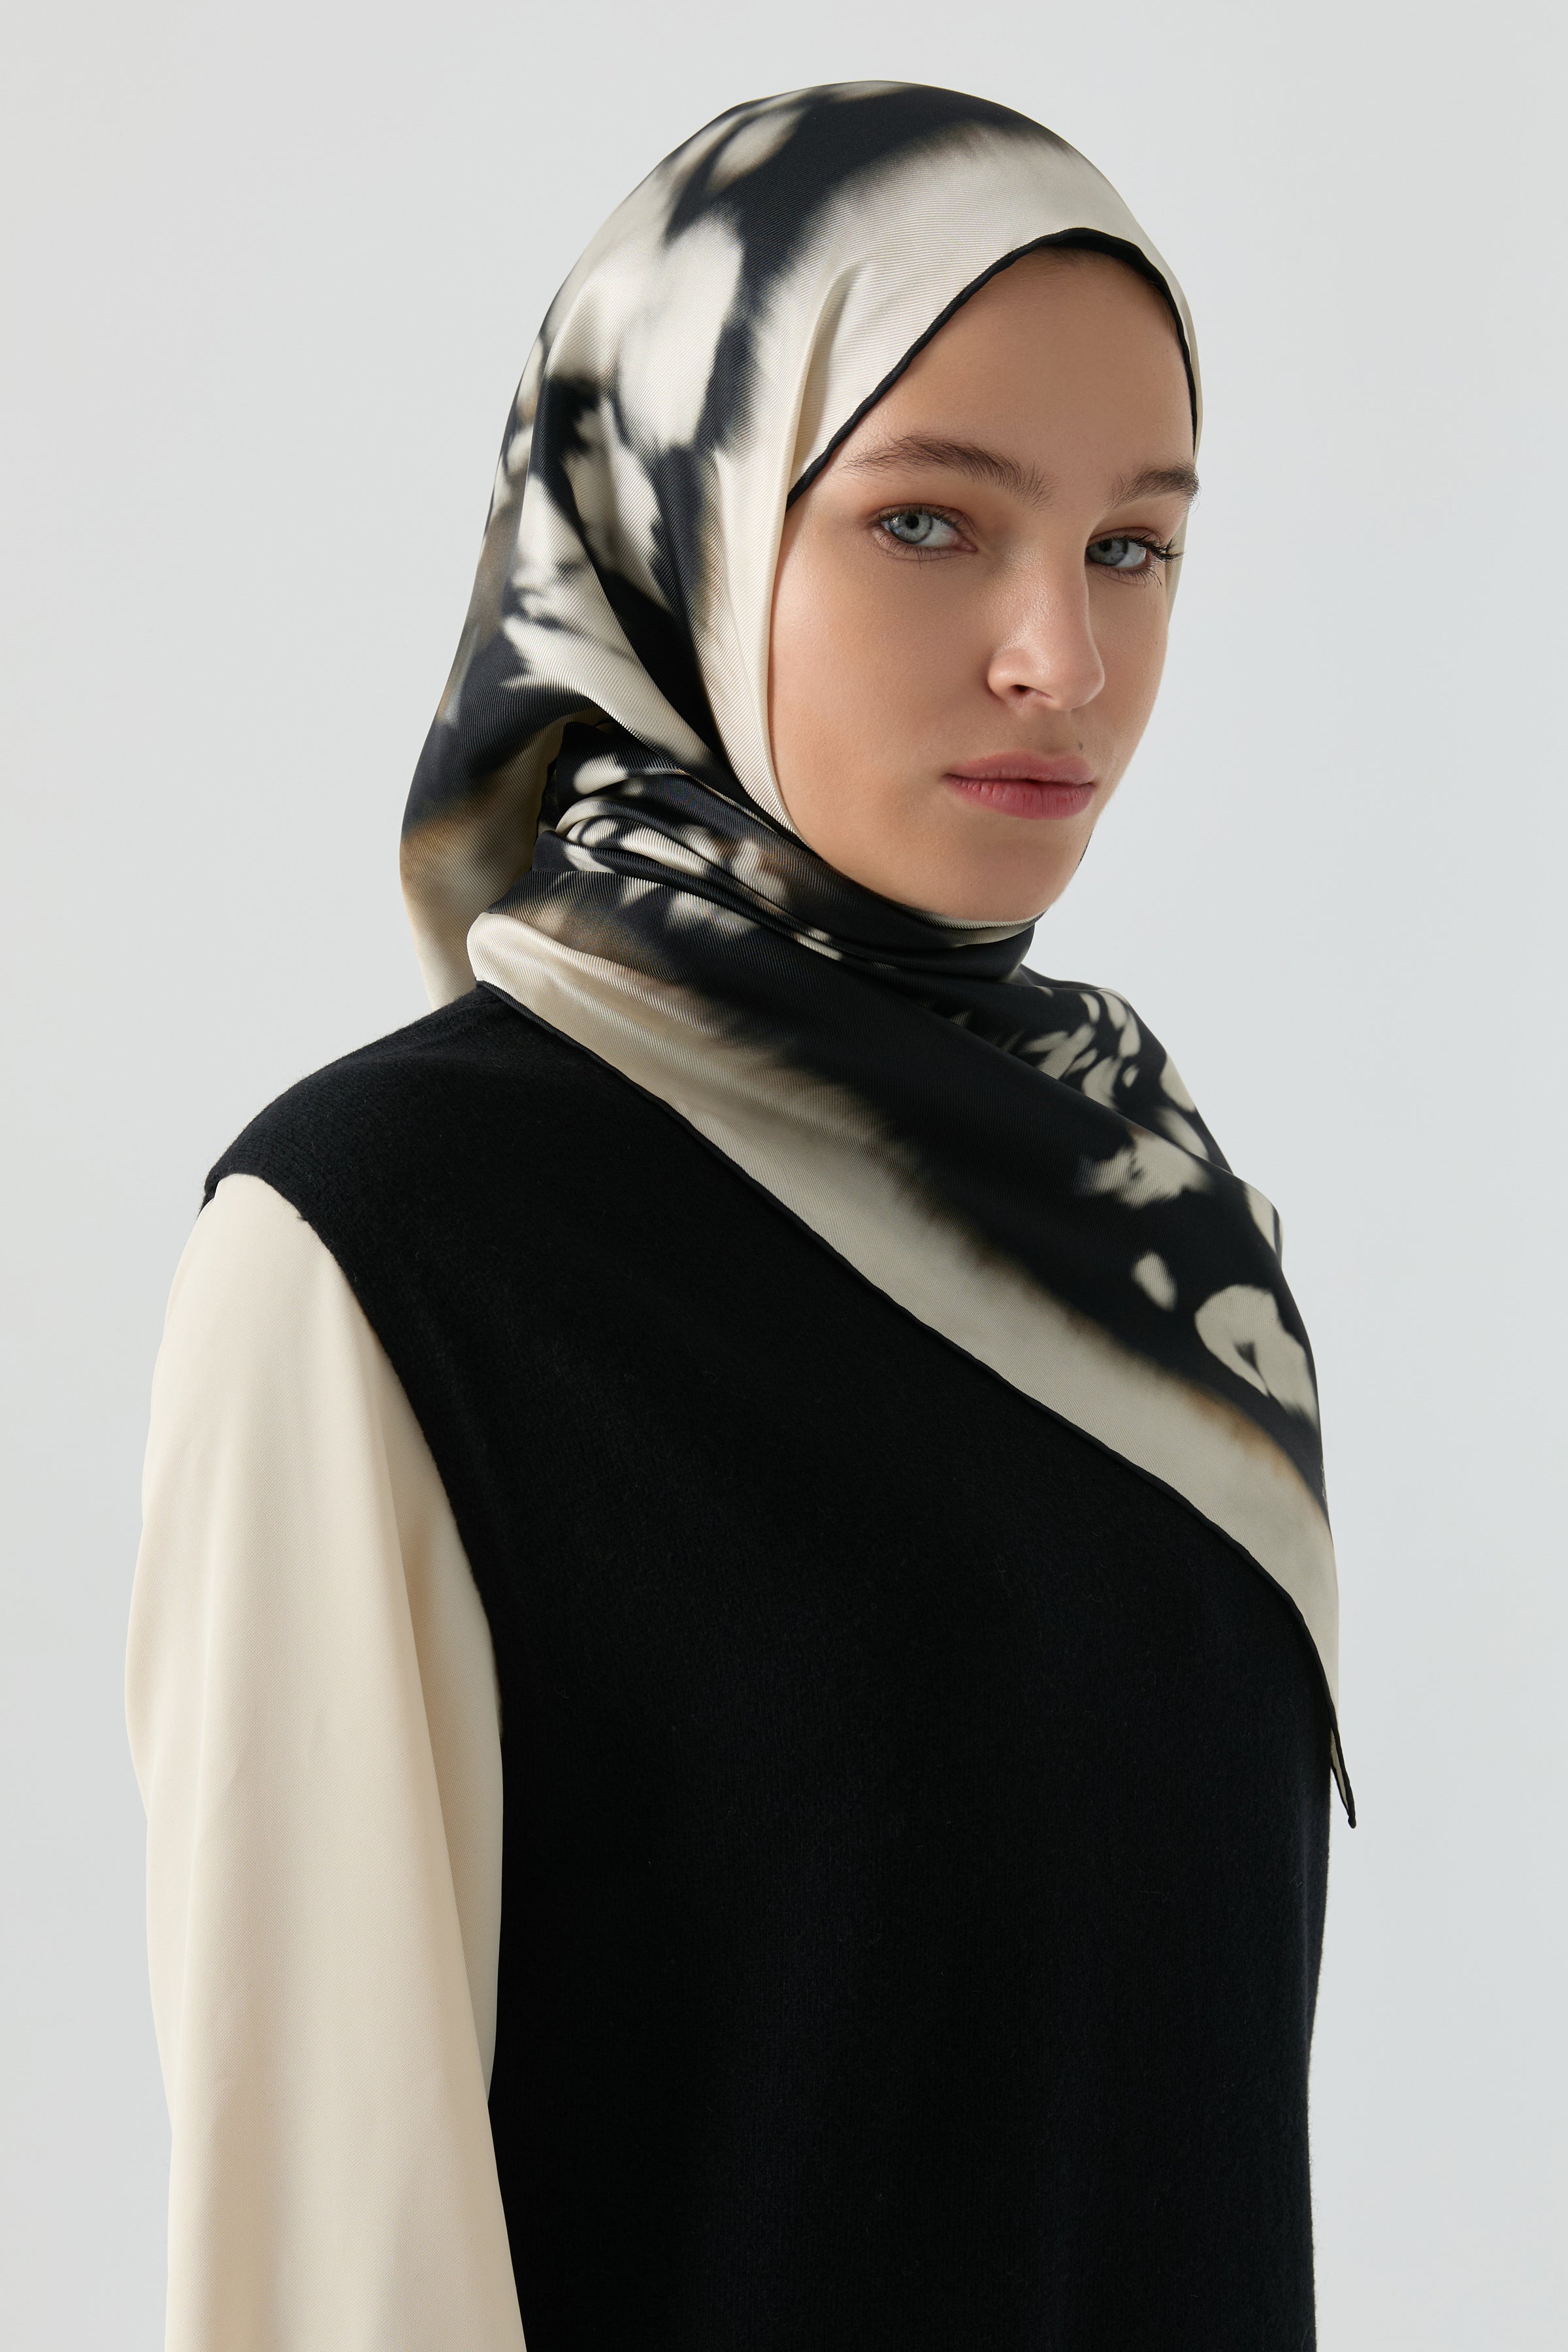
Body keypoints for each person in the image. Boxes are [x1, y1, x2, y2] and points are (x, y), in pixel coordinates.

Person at [129, 82, 1350, 2352]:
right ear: (668, 524)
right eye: (928, 523)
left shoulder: (1167, 1239)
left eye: (1133, 546)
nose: (1062, 660)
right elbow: (332, 2271)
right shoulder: (383, 1256)